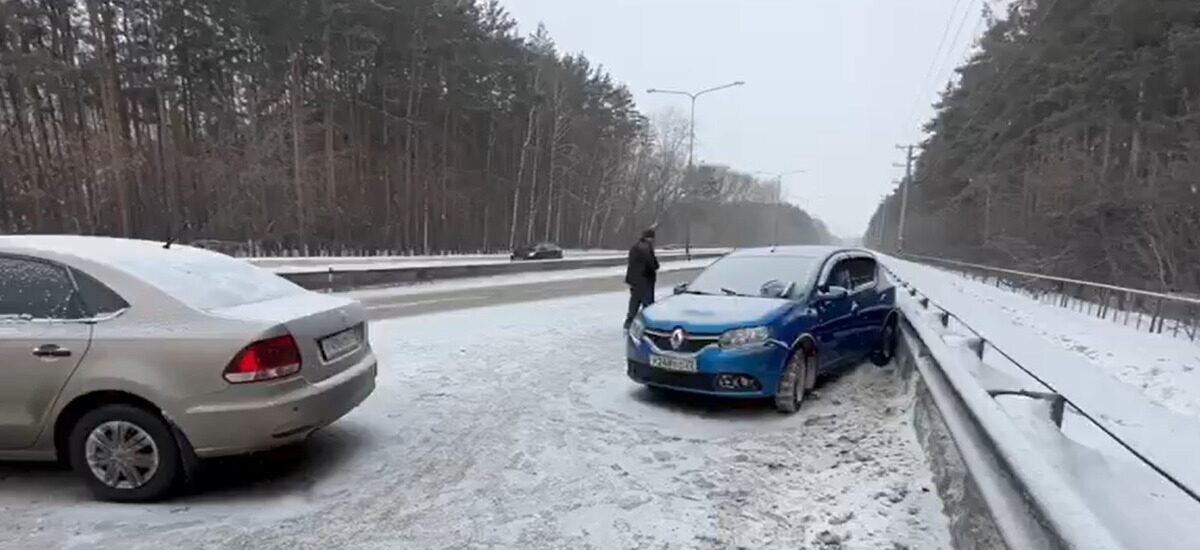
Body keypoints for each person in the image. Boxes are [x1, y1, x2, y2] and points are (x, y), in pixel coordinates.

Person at [624, 228, 660, 329]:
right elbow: (653, 264)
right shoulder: (646, 248)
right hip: (645, 279)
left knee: (635, 301)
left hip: (635, 279)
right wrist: (655, 265)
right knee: (647, 304)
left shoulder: (636, 247)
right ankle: (648, 326)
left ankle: (629, 322)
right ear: (650, 238)